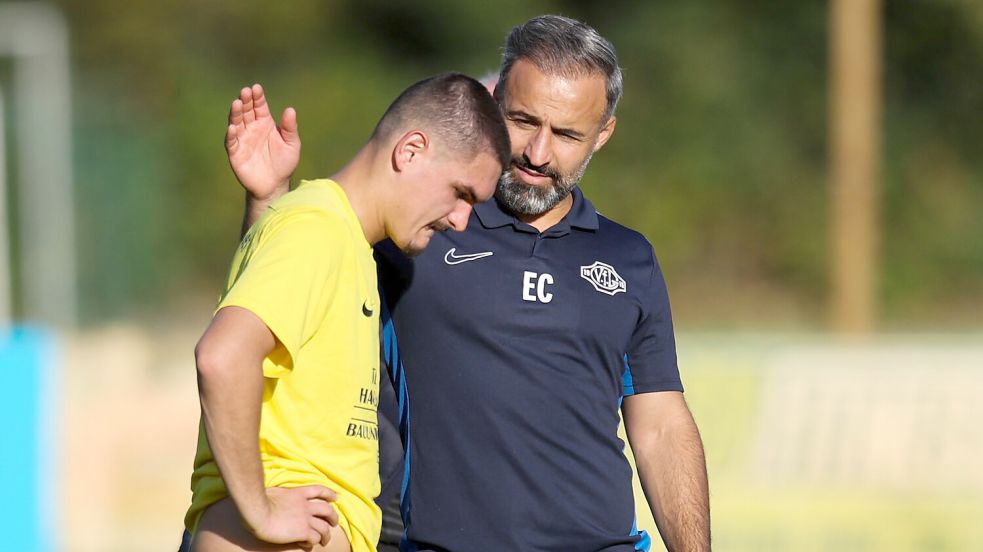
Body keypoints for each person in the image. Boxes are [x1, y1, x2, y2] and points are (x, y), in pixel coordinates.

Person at [236, 15, 711, 552]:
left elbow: (662, 426)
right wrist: (267, 198)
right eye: (524, 121)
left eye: (568, 134)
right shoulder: (418, 227)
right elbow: (272, 315)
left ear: (603, 134)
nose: (538, 153)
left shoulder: (630, 259)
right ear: (495, 101)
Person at [183, 73, 510, 552]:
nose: (462, 221)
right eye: (462, 193)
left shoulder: (342, 239)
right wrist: (261, 511)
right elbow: (222, 356)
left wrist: (266, 201)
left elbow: (274, 354)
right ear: (411, 149)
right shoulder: (318, 228)